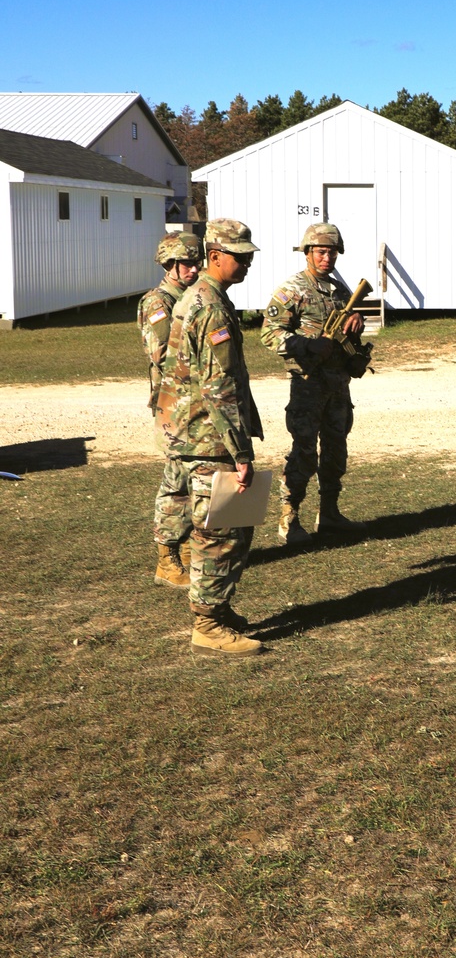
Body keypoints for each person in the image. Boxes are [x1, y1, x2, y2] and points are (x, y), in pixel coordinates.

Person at [156, 219, 264, 656]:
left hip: (190, 432)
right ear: (214, 254)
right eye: (239, 256)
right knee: (222, 531)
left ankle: (217, 611)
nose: (247, 263)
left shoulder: (195, 297)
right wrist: (240, 453)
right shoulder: (211, 306)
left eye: (250, 255)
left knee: (215, 526)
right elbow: (220, 388)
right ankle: (208, 623)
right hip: (210, 438)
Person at [260, 222, 368, 545]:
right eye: (321, 251)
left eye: (332, 251)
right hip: (308, 386)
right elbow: (269, 333)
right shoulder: (292, 290)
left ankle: (330, 514)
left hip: (338, 387)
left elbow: (351, 335)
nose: (327, 257)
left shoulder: (339, 291)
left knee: (336, 451)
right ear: (307, 252)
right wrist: (306, 345)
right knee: (304, 453)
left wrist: (356, 323)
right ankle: (289, 519)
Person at [138, 233, 203, 587]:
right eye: (187, 264)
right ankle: (167, 556)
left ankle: (193, 550)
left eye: (197, 263)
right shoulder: (158, 302)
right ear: (169, 265)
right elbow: (163, 352)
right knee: (176, 481)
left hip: (194, 403)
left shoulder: (194, 297)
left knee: (197, 478)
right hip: (173, 405)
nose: (194, 269)